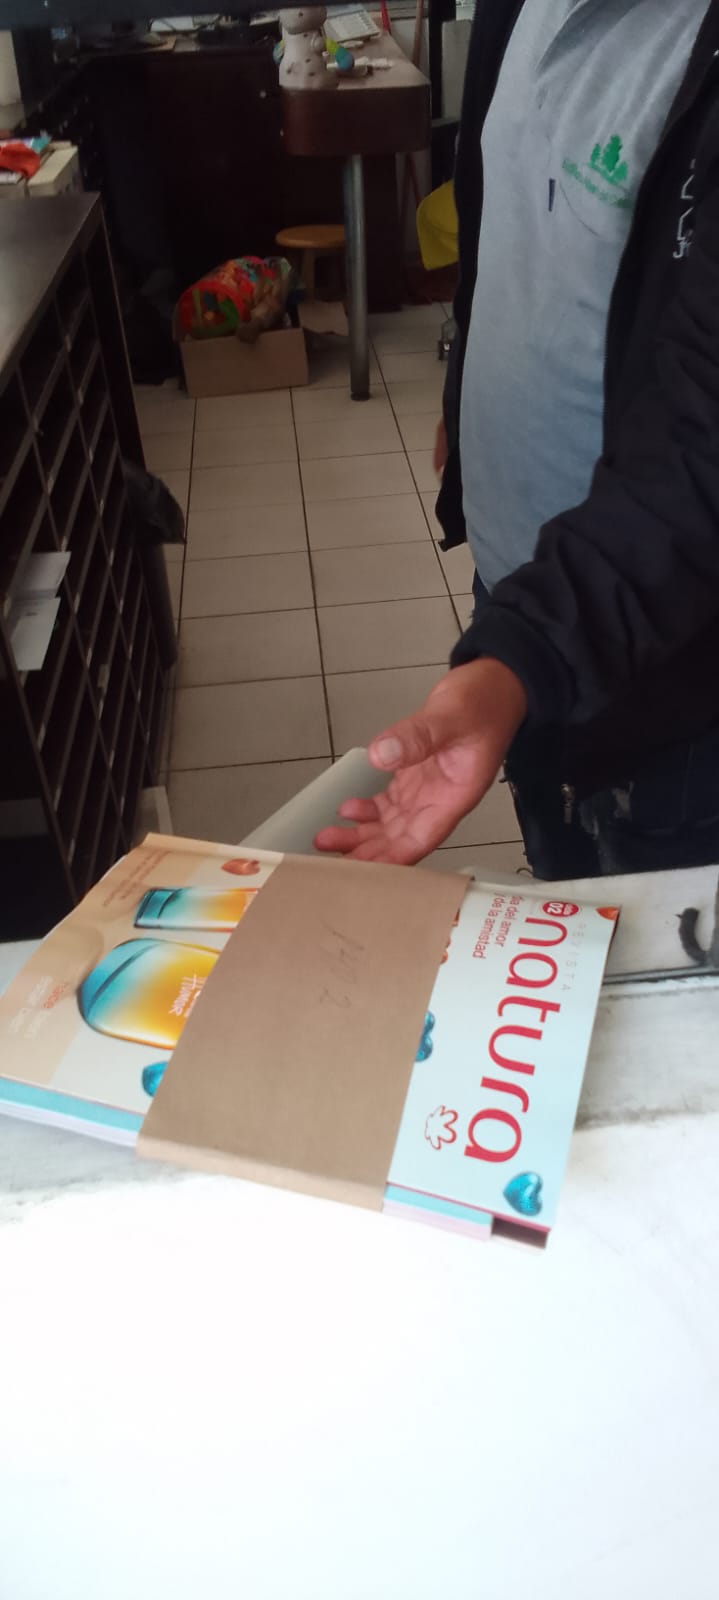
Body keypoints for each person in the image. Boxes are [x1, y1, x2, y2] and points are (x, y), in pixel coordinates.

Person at [315, 0, 719, 878]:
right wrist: (470, 397)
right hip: (522, 605)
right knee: (557, 872)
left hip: (672, 671)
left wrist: (525, 655)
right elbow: (506, 224)